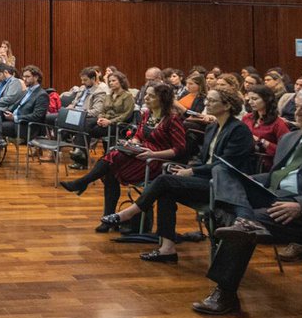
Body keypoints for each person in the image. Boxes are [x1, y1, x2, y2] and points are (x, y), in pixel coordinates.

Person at [192, 89, 302, 316]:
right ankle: (244, 217)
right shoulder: (290, 138)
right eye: (296, 107)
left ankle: (225, 293)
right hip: (272, 197)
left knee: (240, 222)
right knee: (222, 171)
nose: (296, 113)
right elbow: (277, 176)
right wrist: (249, 179)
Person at [101, 87, 252, 263]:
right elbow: (205, 162)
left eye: (211, 101)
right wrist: (189, 170)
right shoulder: (212, 128)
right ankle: (167, 249)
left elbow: (226, 166)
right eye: (207, 99)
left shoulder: (238, 130)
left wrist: (192, 171)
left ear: (227, 105)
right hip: (204, 179)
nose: (206, 103)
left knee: (164, 180)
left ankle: (130, 212)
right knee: (166, 190)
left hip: (224, 185)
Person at [62, 83, 186, 229]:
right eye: (146, 94)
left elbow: (179, 149)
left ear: (162, 99)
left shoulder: (172, 119)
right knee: (111, 167)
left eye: (151, 96)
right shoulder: (147, 114)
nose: (146, 97)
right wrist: (132, 144)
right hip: (140, 154)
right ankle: (105, 217)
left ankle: (84, 183)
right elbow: (139, 135)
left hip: (156, 161)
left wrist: (153, 154)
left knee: (112, 162)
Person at [0, 65, 47, 171]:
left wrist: (15, 117)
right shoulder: (27, 92)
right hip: (13, 119)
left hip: (26, 126)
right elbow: (15, 106)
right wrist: (5, 112)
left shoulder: (42, 95)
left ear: (36, 77)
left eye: (27, 77)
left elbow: (37, 116)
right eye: (24, 77)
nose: (24, 79)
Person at [243, 85, 291, 171]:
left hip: (264, 165)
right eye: (249, 99)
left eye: (254, 99)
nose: (250, 102)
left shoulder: (278, 123)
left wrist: (261, 141)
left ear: (266, 99)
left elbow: (285, 150)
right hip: (245, 159)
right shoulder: (247, 118)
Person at [87, 71, 135, 142]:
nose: (111, 83)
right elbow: (102, 110)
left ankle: (81, 150)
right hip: (104, 120)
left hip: (117, 124)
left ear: (121, 82)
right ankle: (81, 150)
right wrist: (100, 118)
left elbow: (126, 115)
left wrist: (110, 121)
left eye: (113, 81)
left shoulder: (127, 96)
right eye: (109, 81)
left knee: (88, 129)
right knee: (84, 123)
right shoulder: (108, 95)